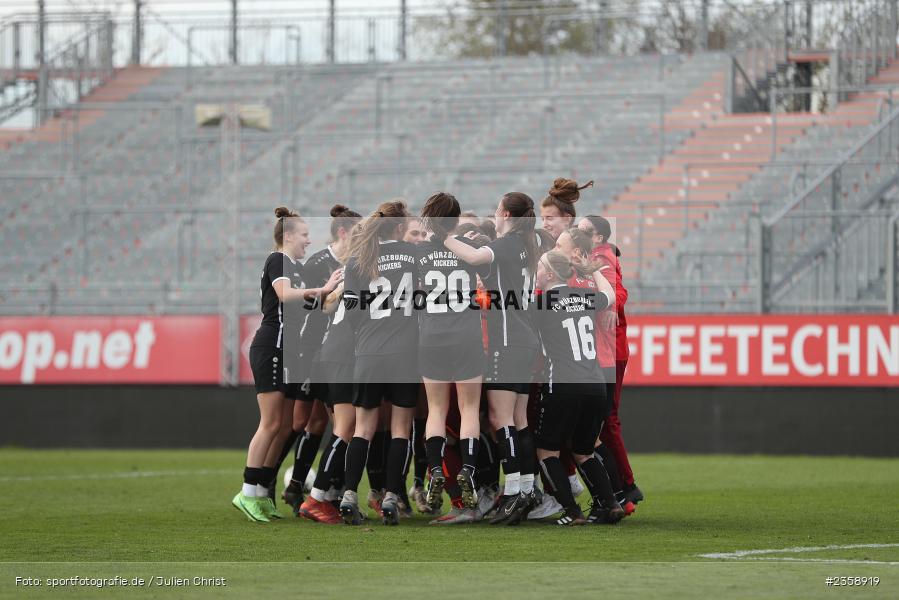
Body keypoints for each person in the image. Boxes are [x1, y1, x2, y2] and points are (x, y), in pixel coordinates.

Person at [233, 207, 342, 523]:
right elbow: (283, 295)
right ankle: (248, 492)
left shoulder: (295, 266)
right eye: (305, 235)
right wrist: (322, 289)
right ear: (289, 236)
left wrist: (333, 293)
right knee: (269, 424)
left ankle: (260, 491)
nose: (309, 241)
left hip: (287, 348)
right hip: (272, 344)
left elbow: (311, 305)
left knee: (284, 426)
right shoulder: (277, 260)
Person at [443, 192, 540, 525]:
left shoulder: (509, 243)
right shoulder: (527, 243)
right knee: (519, 419)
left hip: (509, 339)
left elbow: (472, 258)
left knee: (501, 420)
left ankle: (514, 493)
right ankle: (526, 488)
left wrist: (442, 236)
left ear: (505, 213)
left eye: (497, 210)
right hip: (526, 338)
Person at [339, 201, 421, 526]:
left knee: (363, 429)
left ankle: (348, 494)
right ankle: (390, 497)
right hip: (405, 353)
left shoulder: (358, 260)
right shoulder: (415, 257)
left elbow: (351, 314)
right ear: (400, 228)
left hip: (368, 354)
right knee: (400, 429)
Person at [532, 250, 624, 526]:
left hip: (562, 383)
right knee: (584, 449)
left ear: (549, 274)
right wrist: (591, 270)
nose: (535, 271)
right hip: (595, 384)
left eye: (538, 267)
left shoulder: (540, 303)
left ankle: (572, 511)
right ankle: (611, 503)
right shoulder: (584, 296)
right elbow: (609, 295)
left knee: (546, 451)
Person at [416, 193, 488, 514]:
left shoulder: (418, 253)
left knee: (435, 410)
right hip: (466, 336)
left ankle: (434, 470)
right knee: (469, 410)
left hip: (431, 337)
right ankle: (468, 471)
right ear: (456, 219)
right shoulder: (465, 250)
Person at [294, 207, 363, 524]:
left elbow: (327, 306)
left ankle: (326, 496)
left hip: (335, 350)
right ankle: (316, 498)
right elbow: (322, 306)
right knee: (345, 428)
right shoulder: (366, 265)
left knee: (344, 427)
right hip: (342, 353)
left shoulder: (353, 266)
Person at [579, 215, 642, 508]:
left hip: (610, 349)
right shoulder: (596, 256)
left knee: (606, 421)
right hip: (606, 348)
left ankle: (626, 486)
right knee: (602, 422)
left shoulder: (601, 258)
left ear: (599, 238)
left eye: (585, 232)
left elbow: (618, 292)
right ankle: (622, 488)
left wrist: (611, 304)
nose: (579, 235)